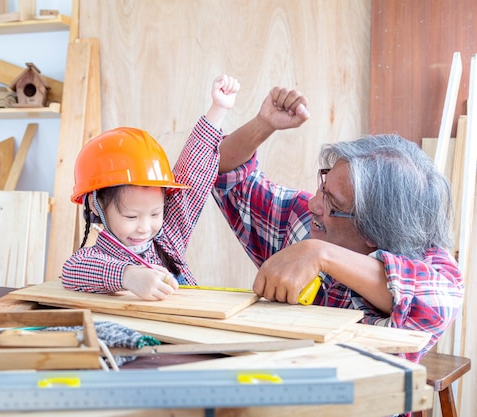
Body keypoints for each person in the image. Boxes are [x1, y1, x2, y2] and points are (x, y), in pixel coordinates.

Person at [210, 86, 465, 363]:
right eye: (323, 185)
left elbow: (439, 302)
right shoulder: (305, 221)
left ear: (373, 232)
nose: (313, 205)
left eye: (332, 202)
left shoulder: (431, 271)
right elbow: (228, 175)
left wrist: (321, 255)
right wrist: (263, 125)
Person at [62, 74, 240, 300]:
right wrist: (128, 276)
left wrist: (218, 109)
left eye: (156, 213)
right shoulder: (98, 258)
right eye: (131, 217)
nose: (145, 228)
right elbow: (72, 269)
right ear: (96, 205)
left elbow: (192, 173)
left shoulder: (169, 236)